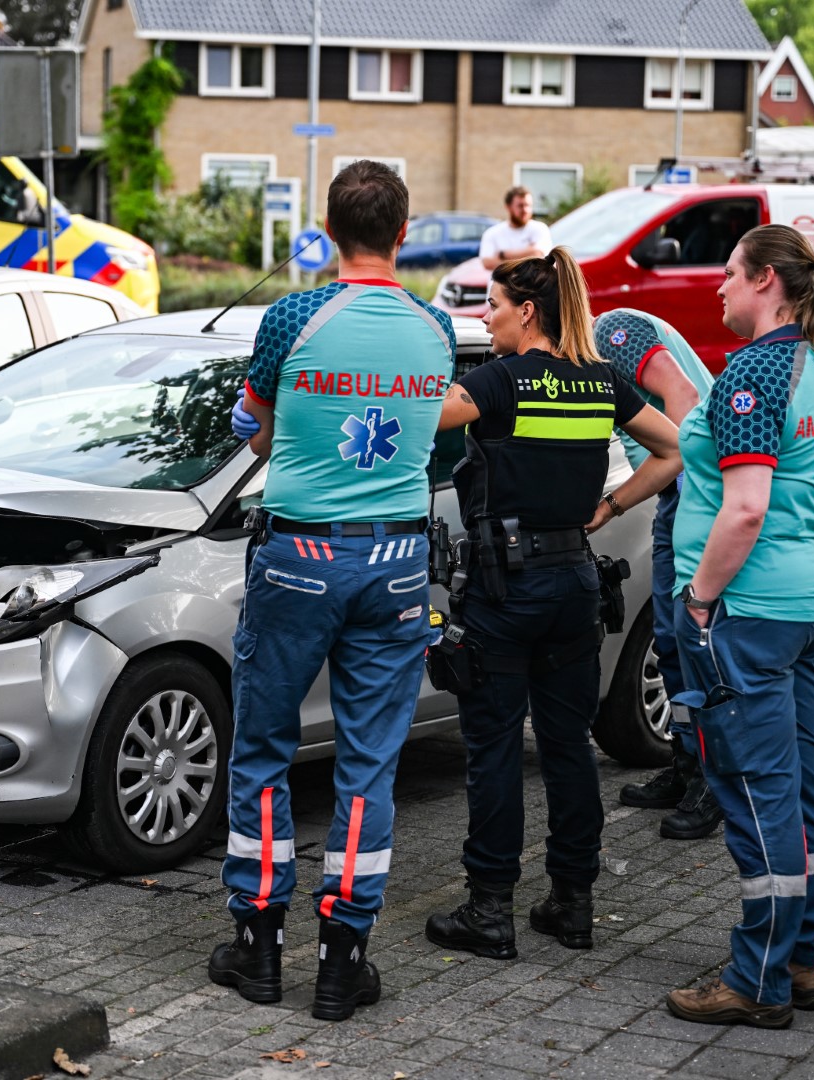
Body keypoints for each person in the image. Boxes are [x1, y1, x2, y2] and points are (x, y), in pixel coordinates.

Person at [210, 160, 455, 1022]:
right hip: (393, 563)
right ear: (402, 232)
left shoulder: (292, 316)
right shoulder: (434, 329)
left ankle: (259, 945)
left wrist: (264, 429)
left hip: (296, 560)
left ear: (327, 228)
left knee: (264, 748)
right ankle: (344, 960)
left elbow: (258, 433)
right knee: (369, 764)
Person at [421, 254, 682, 960]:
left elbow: (423, 414)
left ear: (528, 311)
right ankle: (573, 905)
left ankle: (490, 911)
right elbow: (671, 449)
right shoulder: (601, 383)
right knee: (568, 747)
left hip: (506, 592)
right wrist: (608, 508)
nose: (484, 316)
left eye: (493, 305)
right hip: (573, 583)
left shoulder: (501, 380)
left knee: (496, 750)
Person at [663, 224, 814, 1030]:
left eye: (730, 274)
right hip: (812, 598)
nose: (719, 287)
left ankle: (756, 979)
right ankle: (801, 958)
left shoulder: (753, 373)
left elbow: (744, 507)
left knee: (756, 791)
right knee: (805, 785)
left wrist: (701, 602)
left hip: (747, 611)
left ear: (767, 283)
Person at [600, 309, 724, 841]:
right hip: (678, 493)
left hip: (700, 491)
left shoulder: (612, 333)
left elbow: (684, 400)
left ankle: (716, 783)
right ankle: (687, 763)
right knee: (672, 642)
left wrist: (619, 502)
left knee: (699, 645)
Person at [478, 187, 552, 270]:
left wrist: (503, 254)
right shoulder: (492, 233)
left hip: (530, 283)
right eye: (520, 206)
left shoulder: (540, 228)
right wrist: (528, 254)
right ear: (508, 207)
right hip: (500, 283)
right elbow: (487, 263)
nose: (525, 210)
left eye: (528, 205)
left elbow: (538, 254)